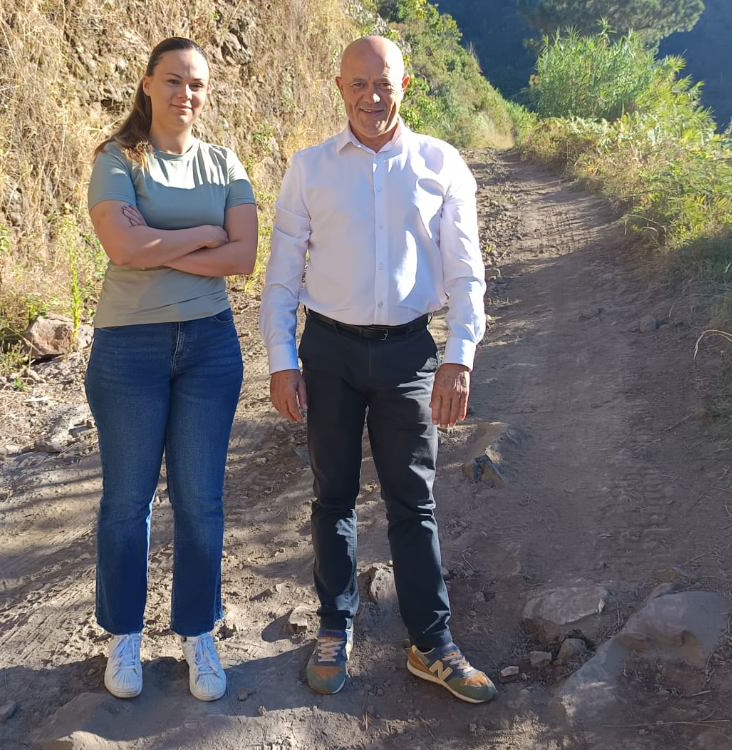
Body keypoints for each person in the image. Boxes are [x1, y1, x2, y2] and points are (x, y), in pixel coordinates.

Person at [258, 35, 496, 704]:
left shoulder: (440, 163)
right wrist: (281, 360)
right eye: (358, 84)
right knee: (331, 496)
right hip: (328, 353)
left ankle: (431, 643)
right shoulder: (309, 168)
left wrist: (459, 356)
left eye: (383, 83)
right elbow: (281, 277)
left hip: (409, 354)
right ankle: (334, 627)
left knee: (412, 501)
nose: (371, 97)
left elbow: (466, 271)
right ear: (340, 88)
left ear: (404, 86)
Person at [85, 36, 258, 703]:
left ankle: (197, 632)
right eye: (174, 80)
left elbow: (242, 258)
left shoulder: (224, 163)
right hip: (129, 346)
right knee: (127, 502)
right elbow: (121, 247)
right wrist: (202, 236)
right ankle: (124, 634)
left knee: (201, 500)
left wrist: (156, 245)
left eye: (197, 84)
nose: (186, 93)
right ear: (148, 84)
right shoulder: (117, 158)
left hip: (209, 348)